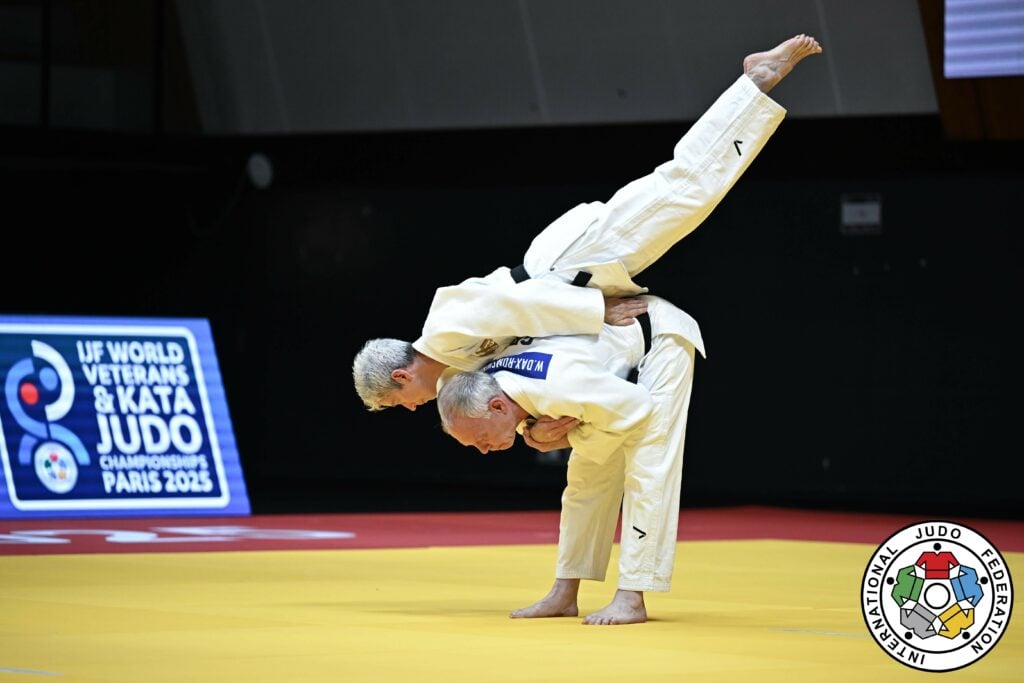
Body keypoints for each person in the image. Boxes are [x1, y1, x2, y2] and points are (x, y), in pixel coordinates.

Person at [353, 35, 822, 412]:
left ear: (401, 376)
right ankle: (752, 87)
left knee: (683, 190)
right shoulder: (456, 370)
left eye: (398, 402)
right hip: (573, 272)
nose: (410, 408)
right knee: (688, 197)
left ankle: (754, 81)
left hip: (569, 262)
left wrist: (596, 309)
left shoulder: (445, 323)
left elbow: (521, 302)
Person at [437, 295, 699, 625]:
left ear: (498, 407)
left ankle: (632, 597)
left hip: (658, 338)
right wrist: (536, 431)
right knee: (583, 479)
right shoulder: (492, 386)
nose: (483, 450)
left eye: (480, 439)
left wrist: (567, 437)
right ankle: (564, 593)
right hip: (600, 367)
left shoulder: (560, 384)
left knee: (648, 463)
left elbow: (638, 410)